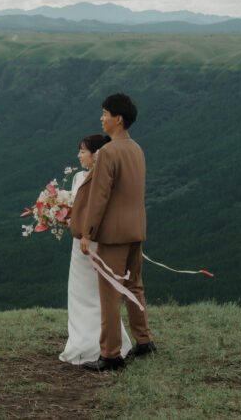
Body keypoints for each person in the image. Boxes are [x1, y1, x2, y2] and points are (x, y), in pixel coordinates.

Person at [72, 93, 156, 372]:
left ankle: (110, 355)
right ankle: (144, 341)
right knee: (135, 286)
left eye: (105, 114)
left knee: (109, 293)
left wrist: (87, 233)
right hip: (137, 229)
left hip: (113, 235)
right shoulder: (137, 149)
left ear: (118, 119)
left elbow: (100, 198)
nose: (101, 118)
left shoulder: (107, 152)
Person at [59, 134, 133, 365]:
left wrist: (86, 232)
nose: (79, 155)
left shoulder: (102, 177)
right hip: (78, 241)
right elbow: (77, 208)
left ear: (96, 154)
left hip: (92, 241)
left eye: (83, 151)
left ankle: (94, 345)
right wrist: (61, 216)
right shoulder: (79, 177)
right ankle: (83, 340)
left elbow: (100, 209)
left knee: (97, 293)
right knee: (78, 292)